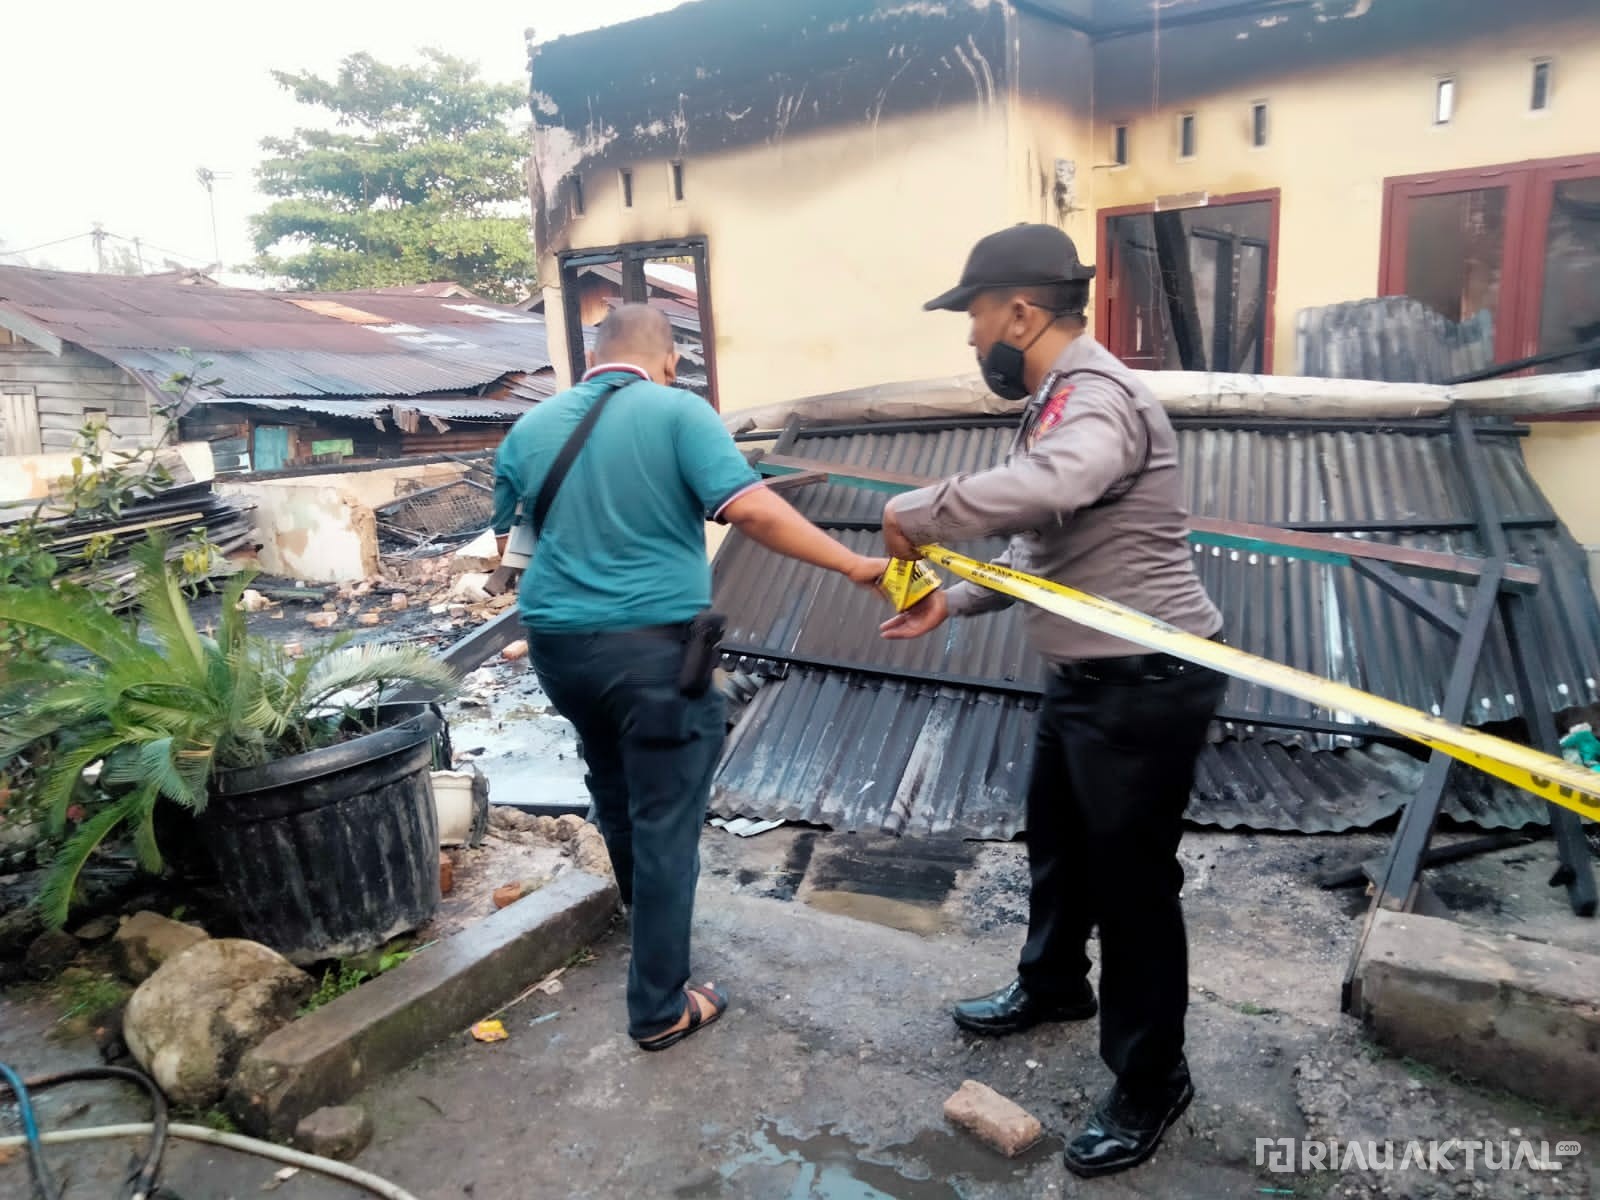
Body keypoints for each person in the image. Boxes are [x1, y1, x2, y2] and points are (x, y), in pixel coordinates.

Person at [879, 224, 1226, 1178]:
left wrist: (920, 512)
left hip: (1147, 686)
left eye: (975, 315)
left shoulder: (1097, 398)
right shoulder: (1059, 401)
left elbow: (1061, 481)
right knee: (1058, 846)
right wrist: (948, 600)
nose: (969, 337)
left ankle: (1153, 1079)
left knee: (1134, 889)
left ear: (1021, 313)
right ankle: (1054, 986)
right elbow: (1045, 551)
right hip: (1088, 679)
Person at [492, 305, 884, 1052]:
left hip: (558, 651)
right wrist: (854, 562)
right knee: (666, 819)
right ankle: (659, 1007)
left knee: (612, 787)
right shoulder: (678, 411)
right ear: (667, 360)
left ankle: (648, 927)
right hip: (651, 656)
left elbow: (512, 544)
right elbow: (751, 511)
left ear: (593, 359)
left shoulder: (530, 428)